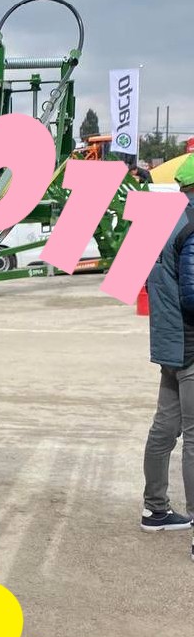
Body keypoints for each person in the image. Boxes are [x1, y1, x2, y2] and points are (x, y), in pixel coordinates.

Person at [142, 153, 194, 535]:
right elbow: (192, 294)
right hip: (191, 346)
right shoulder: (192, 224)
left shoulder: (163, 220)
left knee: (164, 428)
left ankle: (155, 510)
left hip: (171, 344)